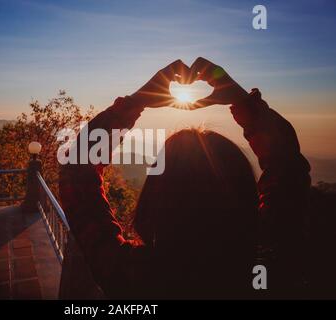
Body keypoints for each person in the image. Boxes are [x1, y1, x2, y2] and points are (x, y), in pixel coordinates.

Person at [59, 58, 311, 299]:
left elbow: (77, 170)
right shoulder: (272, 264)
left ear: (155, 199)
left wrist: (137, 101)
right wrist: (245, 103)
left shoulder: (133, 277)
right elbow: (287, 168)